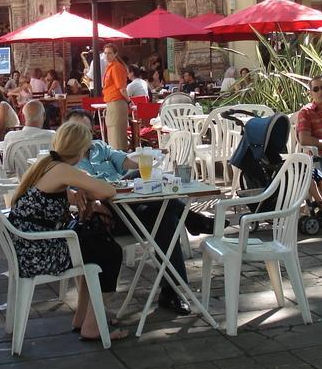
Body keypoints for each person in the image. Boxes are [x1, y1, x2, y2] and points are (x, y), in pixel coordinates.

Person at [64, 111, 212, 314]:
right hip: (105, 218)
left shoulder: (99, 147)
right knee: (164, 212)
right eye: (77, 131)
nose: (83, 137)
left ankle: (171, 292)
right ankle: (192, 219)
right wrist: (80, 191)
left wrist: (149, 159)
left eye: (86, 131)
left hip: (128, 205)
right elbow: (62, 191)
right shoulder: (65, 160)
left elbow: (125, 162)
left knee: (164, 216)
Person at [8, 122, 127, 342]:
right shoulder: (62, 170)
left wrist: (81, 186)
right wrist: (85, 185)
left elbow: (62, 198)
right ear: (82, 150)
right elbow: (108, 190)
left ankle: (84, 317)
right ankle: (92, 325)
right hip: (39, 253)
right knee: (109, 252)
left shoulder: (48, 165)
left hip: (28, 247)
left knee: (93, 241)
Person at [101, 43, 130, 150]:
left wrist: (128, 101)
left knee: (117, 134)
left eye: (110, 53)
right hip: (111, 102)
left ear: (115, 54)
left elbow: (121, 88)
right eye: (105, 53)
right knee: (112, 132)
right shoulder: (110, 67)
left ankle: (119, 160)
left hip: (117, 102)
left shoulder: (117, 67)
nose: (107, 56)